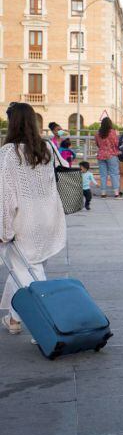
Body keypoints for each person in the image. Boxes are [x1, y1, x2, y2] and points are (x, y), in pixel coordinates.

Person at [1, 103, 66, 336]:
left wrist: (4, 230)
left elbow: (7, 197)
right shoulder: (46, 147)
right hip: (49, 218)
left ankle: (48, 322)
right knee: (27, 266)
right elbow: (66, 168)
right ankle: (13, 318)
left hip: (24, 221)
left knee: (29, 271)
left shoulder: (9, 153)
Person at [94, 117, 122, 199]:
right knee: (114, 174)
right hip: (111, 155)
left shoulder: (97, 133)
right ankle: (116, 194)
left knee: (103, 175)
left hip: (101, 155)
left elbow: (97, 144)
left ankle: (103, 193)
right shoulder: (112, 132)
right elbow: (116, 143)